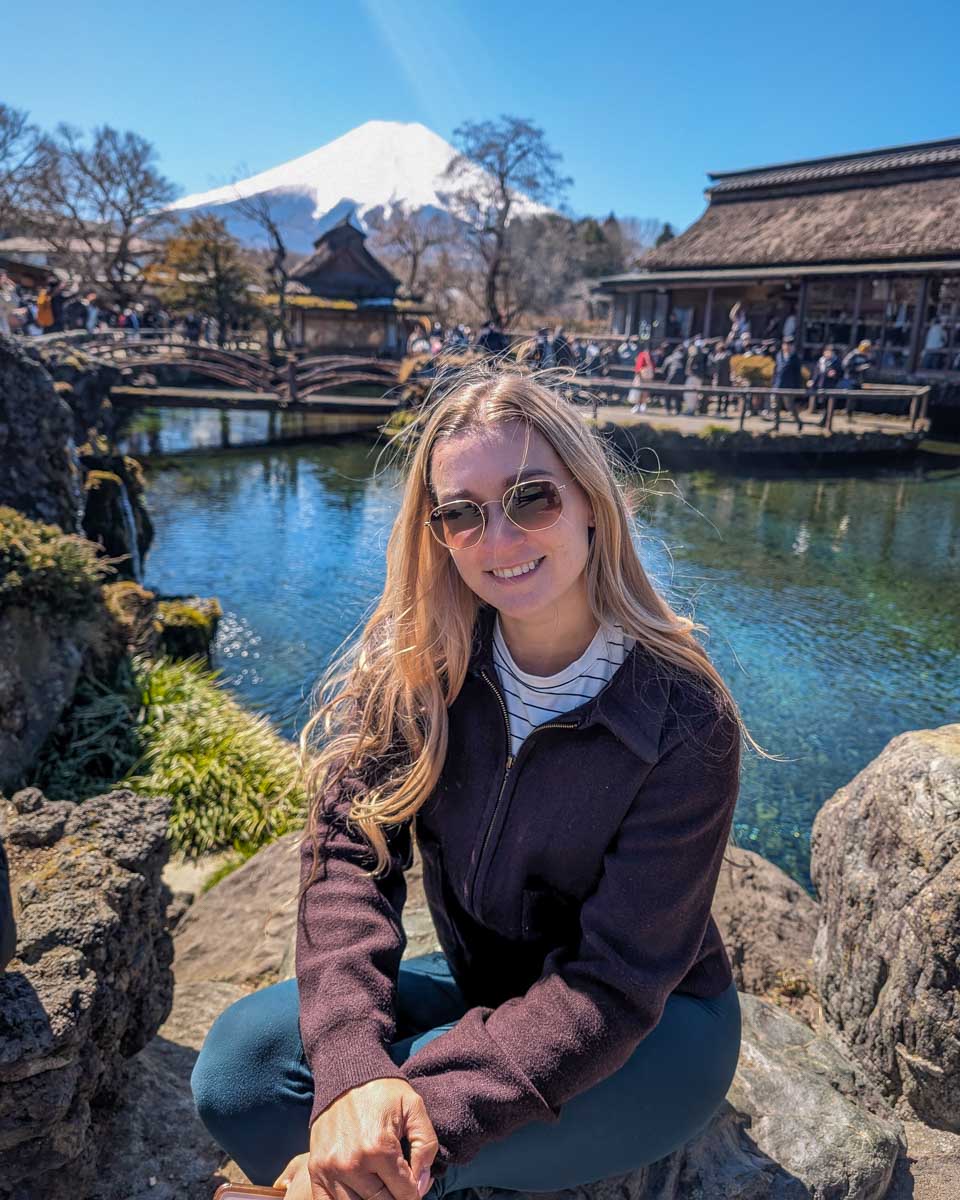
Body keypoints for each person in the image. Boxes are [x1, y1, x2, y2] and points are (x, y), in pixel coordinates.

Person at [190, 368, 748, 1199]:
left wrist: (421, 1111)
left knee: (395, 1158)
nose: (499, 538)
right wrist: (352, 1072)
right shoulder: (425, 665)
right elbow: (347, 857)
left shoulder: (683, 718)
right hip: (489, 987)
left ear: (592, 499)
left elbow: (613, 982)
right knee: (241, 1076)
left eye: (532, 498)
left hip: (652, 1029)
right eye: (462, 513)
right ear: (436, 532)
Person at [770, 336, 804, 430]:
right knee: (775, 406)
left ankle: (798, 422)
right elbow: (775, 371)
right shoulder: (779, 355)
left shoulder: (795, 358)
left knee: (789, 406)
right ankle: (776, 425)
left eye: (789, 345)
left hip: (788, 386)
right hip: (777, 385)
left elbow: (798, 375)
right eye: (785, 344)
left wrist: (798, 388)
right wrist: (773, 383)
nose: (787, 347)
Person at [808, 344, 842, 425]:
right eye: (827, 352)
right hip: (820, 384)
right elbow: (815, 373)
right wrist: (812, 381)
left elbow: (841, 374)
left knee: (828, 404)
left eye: (830, 352)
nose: (828, 354)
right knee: (823, 404)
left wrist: (835, 374)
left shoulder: (836, 362)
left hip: (831, 385)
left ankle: (826, 422)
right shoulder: (821, 361)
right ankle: (824, 420)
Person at [708, 341, 733, 416]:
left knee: (725, 396)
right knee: (721, 396)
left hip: (725, 378)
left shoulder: (725, 355)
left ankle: (723, 411)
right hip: (722, 378)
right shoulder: (725, 355)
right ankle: (720, 410)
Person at [628, 343, 654, 412]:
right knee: (645, 392)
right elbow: (653, 367)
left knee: (638, 392)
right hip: (648, 377)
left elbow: (638, 367)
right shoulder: (650, 355)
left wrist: (637, 375)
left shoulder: (641, 355)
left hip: (641, 376)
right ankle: (643, 406)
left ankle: (638, 407)